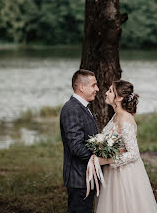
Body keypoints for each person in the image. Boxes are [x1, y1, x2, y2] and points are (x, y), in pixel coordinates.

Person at [95, 79, 157, 213]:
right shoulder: (115, 116)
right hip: (112, 172)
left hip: (124, 174)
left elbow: (134, 154)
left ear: (119, 98)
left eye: (110, 91)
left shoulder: (125, 119)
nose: (106, 93)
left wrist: (106, 160)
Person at [60, 69, 99, 213]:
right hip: (79, 178)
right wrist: (99, 159)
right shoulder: (72, 109)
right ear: (82, 87)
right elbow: (76, 147)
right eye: (94, 85)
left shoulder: (83, 107)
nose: (97, 89)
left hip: (86, 177)